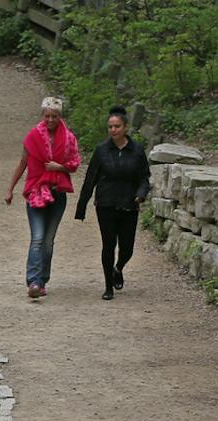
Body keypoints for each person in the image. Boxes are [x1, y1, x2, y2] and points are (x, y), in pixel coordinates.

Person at [4, 97, 82, 299]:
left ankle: (43, 279)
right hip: (36, 192)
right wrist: (10, 189)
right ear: (42, 116)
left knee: (48, 241)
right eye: (47, 116)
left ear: (60, 117)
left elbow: (74, 163)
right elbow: (22, 163)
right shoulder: (32, 137)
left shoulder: (69, 139)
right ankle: (34, 282)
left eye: (54, 116)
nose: (50, 120)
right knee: (37, 238)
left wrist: (60, 167)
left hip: (58, 193)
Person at [75, 106, 152, 301]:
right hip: (106, 203)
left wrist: (141, 194)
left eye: (117, 126)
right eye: (110, 127)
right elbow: (90, 177)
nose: (113, 130)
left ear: (125, 127)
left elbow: (144, 177)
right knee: (108, 245)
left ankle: (118, 268)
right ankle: (108, 286)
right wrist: (82, 206)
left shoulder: (136, 151)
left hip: (129, 203)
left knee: (127, 248)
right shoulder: (101, 150)